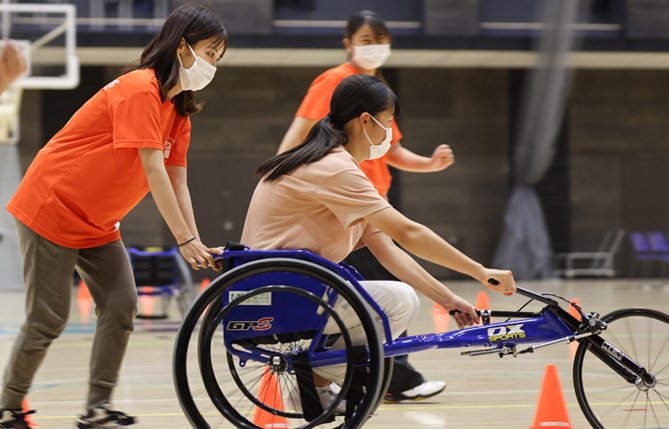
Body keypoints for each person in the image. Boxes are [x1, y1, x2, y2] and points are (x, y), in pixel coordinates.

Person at [0, 5, 227, 429]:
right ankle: (8, 407)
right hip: (50, 207)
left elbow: (178, 182)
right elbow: (152, 166)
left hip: (99, 224)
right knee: (47, 317)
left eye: (218, 57)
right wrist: (182, 239)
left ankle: (97, 408)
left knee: (121, 304)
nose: (213, 65)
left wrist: (195, 240)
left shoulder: (179, 110)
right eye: (209, 53)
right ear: (181, 46)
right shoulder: (140, 88)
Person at [242, 73, 515, 412]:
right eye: (388, 122)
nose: (390, 133)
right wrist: (480, 271)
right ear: (365, 121)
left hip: (283, 292)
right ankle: (312, 378)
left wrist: (449, 301)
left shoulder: (330, 163)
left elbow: (389, 250)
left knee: (397, 298)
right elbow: (409, 233)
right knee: (398, 300)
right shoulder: (335, 168)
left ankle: (315, 382)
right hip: (278, 298)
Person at [276, 10, 454, 404]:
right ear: (348, 43)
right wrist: (286, 183)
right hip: (344, 205)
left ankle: (372, 377)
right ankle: (393, 378)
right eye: (367, 38)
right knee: (388, 288)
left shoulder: (376, 87)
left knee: (390, 288)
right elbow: (295, 136)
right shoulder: (334, 81)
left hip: (367, 207)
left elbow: (393, 150)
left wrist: (429, 163)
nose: (376, 46)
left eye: (381, 38)